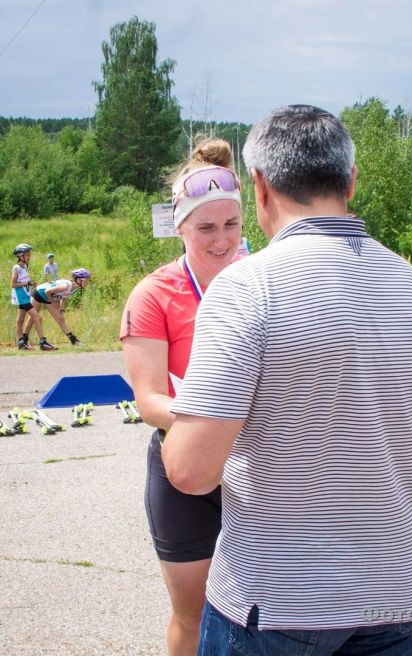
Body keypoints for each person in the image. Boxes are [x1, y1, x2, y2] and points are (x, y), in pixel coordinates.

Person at [161, 105, 412, 656]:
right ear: (351, 181)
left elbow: (192, 470)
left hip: (276, 599)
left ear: (260, 187)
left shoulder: (249, 287)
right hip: (395, 591)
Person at [120, 138, 243, 656]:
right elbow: (148, 398)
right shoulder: (154, 293)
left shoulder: (265, 280)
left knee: (270, 615)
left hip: (260, 462)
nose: (221, 241)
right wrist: (214, 421)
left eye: (231, 225)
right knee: (194, 615)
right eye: (205, 228)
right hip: (185, 461)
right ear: (179, 226)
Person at [26, 269, 91, 346]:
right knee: (33, 318)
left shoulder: (74, 288)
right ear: (78, 280)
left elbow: (64, 297)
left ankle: (73, 340)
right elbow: (47, 291)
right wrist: (53, 303)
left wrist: (62, 310)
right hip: (39, 293)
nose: (87, 282)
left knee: (61, 319)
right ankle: (23, 339)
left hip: (48, 297)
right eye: (86, 280)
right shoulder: (66, 286)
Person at [10, 243, 55, 351]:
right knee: (37, 317)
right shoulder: (16, 268)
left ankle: (21, 342)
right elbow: (13, 284)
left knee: (20, 320)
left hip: (25, 295)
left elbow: (24, 281)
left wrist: (30, 283)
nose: (29, 257)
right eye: (27, 255)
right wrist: (26, 283)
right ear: (20, 256)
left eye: (29, 255)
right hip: (21, 297)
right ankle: (42, 342)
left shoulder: (25, 266)